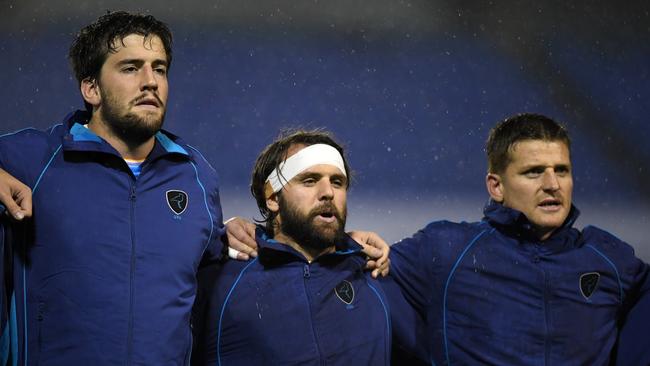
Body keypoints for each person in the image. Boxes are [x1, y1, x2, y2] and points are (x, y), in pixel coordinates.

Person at [226, 113, 649, 365]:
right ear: (496, 185)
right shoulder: (446, 250)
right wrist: (252, 233)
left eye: (562, 170)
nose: (552, 184)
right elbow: (328, 267)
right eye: (534, 172)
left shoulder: (609, 257)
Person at [0, 11, 225, 365]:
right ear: (91, 89)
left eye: (160, 68)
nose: (150, 81)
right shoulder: (33, 159)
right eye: (131, 68)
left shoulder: (195, 176)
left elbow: (214, 292)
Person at [191, 129, 411, 365]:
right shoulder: (220, 281)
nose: (328, 193)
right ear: (273, 198)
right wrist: (216, 237)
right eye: (309, 180)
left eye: (337, 182)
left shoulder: (376, 274)